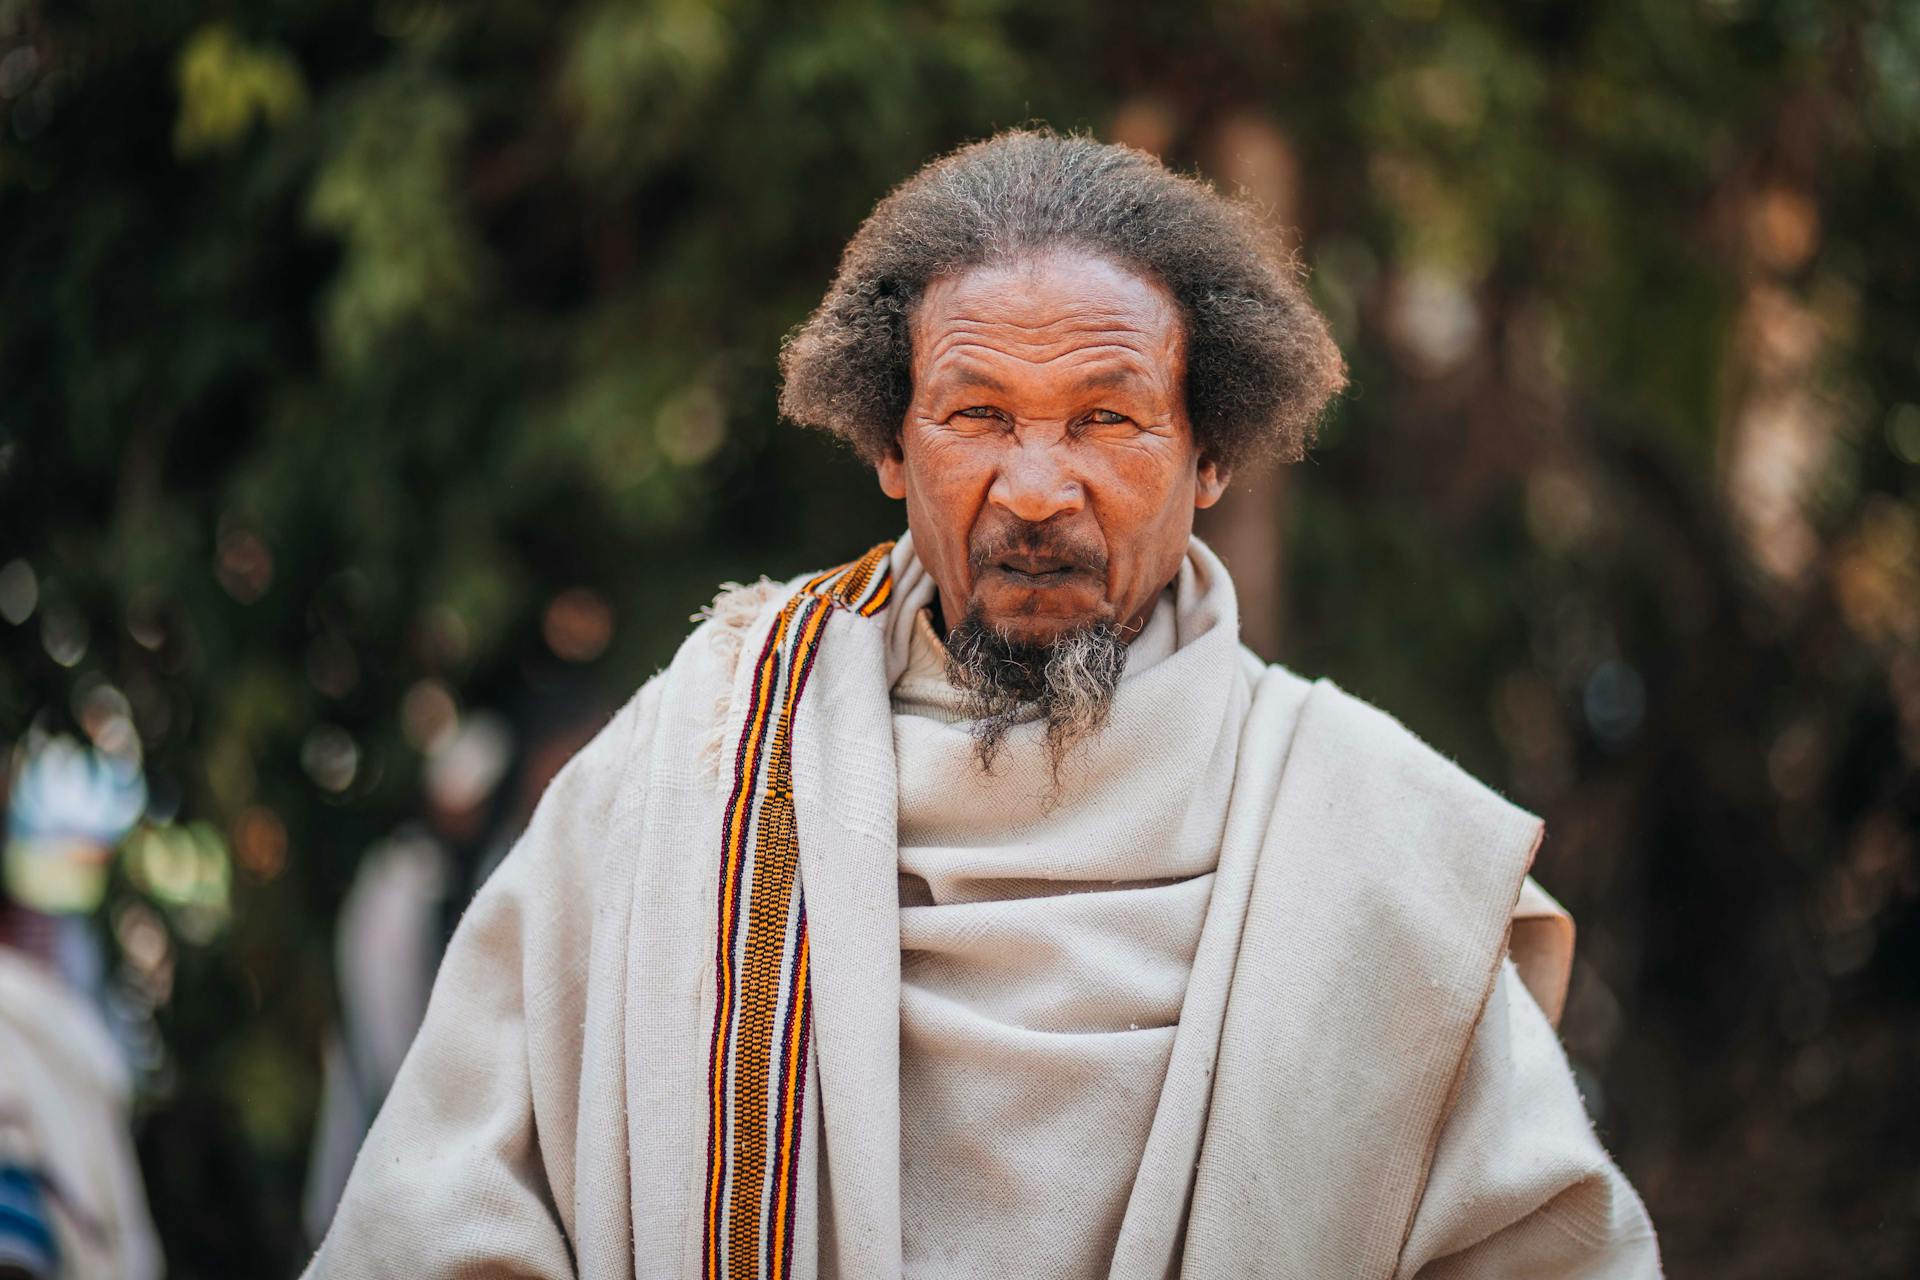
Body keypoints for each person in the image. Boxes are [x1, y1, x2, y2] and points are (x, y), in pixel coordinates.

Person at [305, 129, 1660, 1278]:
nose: (1034, 489)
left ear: (1215, 457)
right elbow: (434, 1220)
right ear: (891, 446)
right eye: (978, 416)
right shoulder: (692, 773)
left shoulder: (1376, 842)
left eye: (1107, 420)